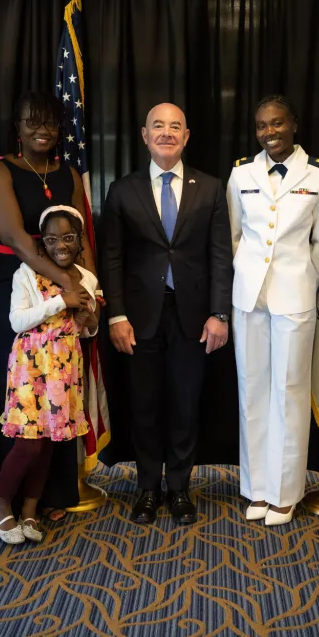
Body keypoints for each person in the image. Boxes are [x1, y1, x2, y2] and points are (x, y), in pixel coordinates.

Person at [101, 103, 233, 526]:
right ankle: (146, 489)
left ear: (187, 135)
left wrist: (219, 313)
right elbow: (113, 258)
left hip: (194, 317)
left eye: (175, 126)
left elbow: (219, 256)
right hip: (139, 319)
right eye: (158, 125)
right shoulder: (123, 189)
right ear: (144, 134)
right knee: (144, 405)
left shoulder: (210, 188)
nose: (166, 133)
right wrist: (116, 316)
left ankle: (179, 488)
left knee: (185, 403)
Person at [0, 92, 94, 520]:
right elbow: (15, 236)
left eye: (50, 122)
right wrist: (66, 283)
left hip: (65, 290)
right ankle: (9, 497)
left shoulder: (68, 173)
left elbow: (82, 238)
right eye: (32, 122)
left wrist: (91, 293)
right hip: (15, 286)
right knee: (25, 393)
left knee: (59, 387)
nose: (42, 130)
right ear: (18, 126)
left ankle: (49, 496)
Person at [226, 95, 319, 526]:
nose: (269, 132)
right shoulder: (241, 173)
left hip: (294, 295)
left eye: (276, 124)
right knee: (252, 390)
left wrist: (302, 278)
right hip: (249, 295)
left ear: (293, 124)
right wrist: (249, 274)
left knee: (289, 391)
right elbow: (236, 236)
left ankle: (285, 492)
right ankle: (257, 487)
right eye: (261, 126)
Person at [0, 206, 100, 544]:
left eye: (68, 238)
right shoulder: (26, 272)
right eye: (51, 239)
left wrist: (89, 318)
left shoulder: (88, 278)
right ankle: (0, 505)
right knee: (29, 445)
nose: (60, 246)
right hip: (31, 366)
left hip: (65, 367)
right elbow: (17, 321)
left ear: (79, 240)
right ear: (43, 243)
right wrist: (60, 300)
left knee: (50, 443)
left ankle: (29, 510)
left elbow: (85, 331)